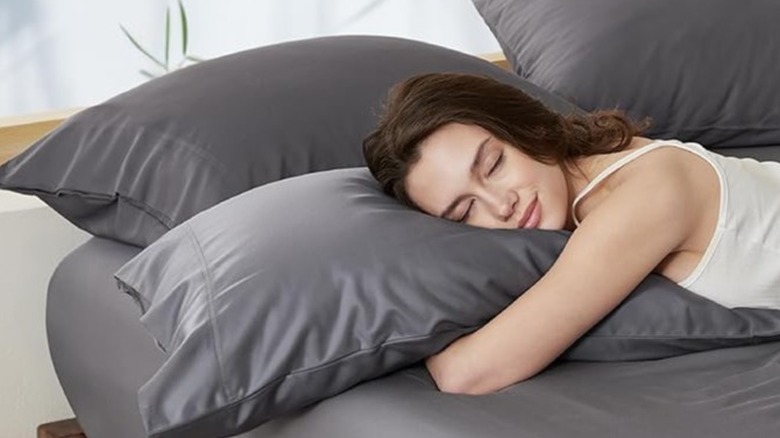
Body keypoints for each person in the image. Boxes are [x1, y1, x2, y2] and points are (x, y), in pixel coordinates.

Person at [362, 72, 780, 396]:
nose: (501, 205)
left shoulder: (641, 197)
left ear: (525, 127)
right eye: (465, 210)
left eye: (493, 165)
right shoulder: (589, 184)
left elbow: (466, 374)